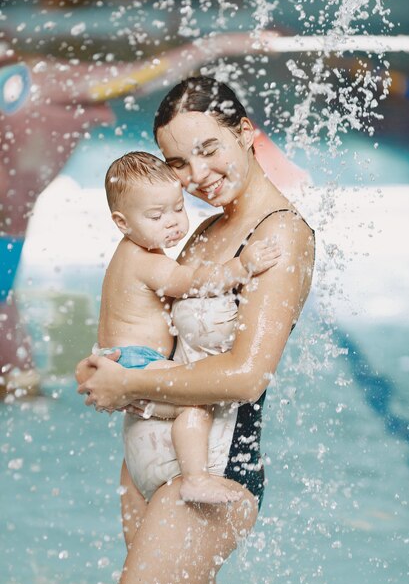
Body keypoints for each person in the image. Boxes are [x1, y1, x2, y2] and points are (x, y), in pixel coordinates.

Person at [76, 76, 315, 584]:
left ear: (245, 133)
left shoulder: (282, 235)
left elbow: (247, 376)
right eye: (178, 163)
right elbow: (159, 332)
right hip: (150, 457)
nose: (196, 176)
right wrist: (108, 364)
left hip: (210, 468)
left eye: (209, 150)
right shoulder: (203, 232)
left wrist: (130, 382)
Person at [97, 150, 280, 505]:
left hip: (118, 358)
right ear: (121, 222)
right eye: (156, 215)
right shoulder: (146, 261)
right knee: (195, 404)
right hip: (137, 362)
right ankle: (196, 478)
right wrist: (243, 266)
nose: (172, 222)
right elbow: (193, 282)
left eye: (178, 208)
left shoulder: (123, 258)